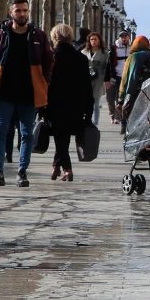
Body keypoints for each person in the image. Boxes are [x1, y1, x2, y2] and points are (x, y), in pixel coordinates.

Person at [0, 0, 51, 188]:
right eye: (18, 10)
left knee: (26, 134)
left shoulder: (38, 36)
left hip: (29, 94)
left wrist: (45, 86)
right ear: (11, 13)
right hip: (4, 93)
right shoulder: (0, 35)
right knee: (0, 132)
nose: (22, 14)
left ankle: (22, 172)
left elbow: (48, 63)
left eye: (25, 10)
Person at [45, 24, 94, 182]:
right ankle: (56, 166)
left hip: (55, 103)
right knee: (63, 137)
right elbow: (87, 86)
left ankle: (67, 169)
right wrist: (89, 109)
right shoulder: (81, 58)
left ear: (55, 37)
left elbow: (47, 83)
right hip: (76, 105)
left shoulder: (52, 57)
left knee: (61, 137)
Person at [116, 35, 150, 130]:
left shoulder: (133, 57)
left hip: (135, 92)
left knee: (132, 119)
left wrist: (121, 98)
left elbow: (126, 78)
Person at [82, 31, 112, 125]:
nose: (93, 41)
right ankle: (86, 121)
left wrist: (107, 80)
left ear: (99, 40)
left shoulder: (104, 53)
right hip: (86, 79)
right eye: (91, 39)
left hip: (98, 80)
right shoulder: (84, 52)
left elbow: (108, 68)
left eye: (95, 39)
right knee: (85, 101)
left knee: (96, 102)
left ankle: (95, 123)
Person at [107, 30, 131, 123]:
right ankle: (113, 115)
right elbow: (110, 63)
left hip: (126, 75)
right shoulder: (114, 48)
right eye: (122, 37)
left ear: (128, 37)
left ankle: (118, 117)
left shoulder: (131, 48)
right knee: (111, 97)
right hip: (116, 75)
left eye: (125, 36)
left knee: (120, 96)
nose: (124, 38)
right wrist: (109, 77)